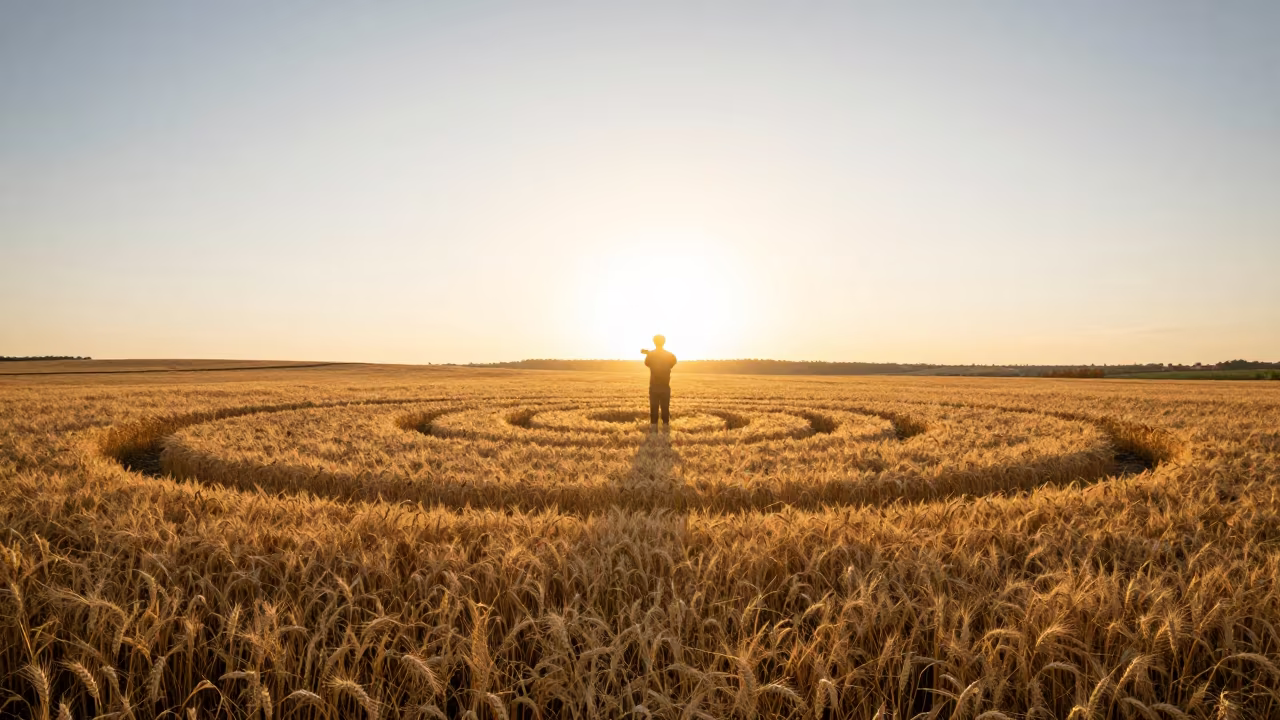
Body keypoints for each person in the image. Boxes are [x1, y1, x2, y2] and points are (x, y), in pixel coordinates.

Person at [641, 335, 677, 429]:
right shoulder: (669, 355)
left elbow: (647, 363)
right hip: (665, 386)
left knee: (654, 408)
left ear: (654, 342)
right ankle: (665, 427)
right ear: (664, 342)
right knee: (665, 408)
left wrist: (650, 354)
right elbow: (673, 362)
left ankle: (653, 427)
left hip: (654, 385)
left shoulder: (651, 355)